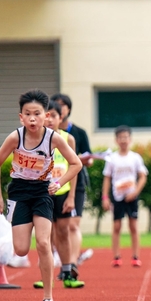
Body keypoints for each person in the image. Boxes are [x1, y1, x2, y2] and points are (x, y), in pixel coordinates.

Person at [0, 89, 82, 301]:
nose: (33, 119)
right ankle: (26, 230)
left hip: (42, 192)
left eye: (37, 114)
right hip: (19, 192)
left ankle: (48, 299)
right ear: (21, 117)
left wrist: (59, 182)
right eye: (28, 114)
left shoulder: (54, 138)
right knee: (21, 250)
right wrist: (0, 197)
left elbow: (76, 163)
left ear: (46, 117)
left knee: (43, 243)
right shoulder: (15, 137)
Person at [32, 100, 84, 289]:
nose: (51, 119)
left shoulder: (67, 138)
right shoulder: (36, 139)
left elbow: (74, 165)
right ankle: (45, 275)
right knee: (45, 236)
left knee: (63, 232)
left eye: (54, 116)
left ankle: (68, 272)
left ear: (60, 118)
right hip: (43, 193)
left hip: (62, 192)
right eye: (48, 116)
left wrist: (71, 196)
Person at [50, 93, 94, 272]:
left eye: (62, 105)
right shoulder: (42, 136)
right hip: (51, 187)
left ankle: (72, 263)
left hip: (74, 182)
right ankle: (63, 263)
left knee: (72, 226)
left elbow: (86, 157)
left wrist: (83, 160)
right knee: (55, 230)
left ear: (66, 110)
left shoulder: (76, 134)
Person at [102, 126, 148, 267]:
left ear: (130, 139)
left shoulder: (135, 157)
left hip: (131, 196)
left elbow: (143, 176)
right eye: (120, 137)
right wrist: (105, 197)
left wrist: (135, 192)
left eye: (126, 137)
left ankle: (135, 256)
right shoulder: (112, 158)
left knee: (133, 226)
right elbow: (107, 178)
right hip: (117, 196)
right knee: (116, 226)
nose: (123, 140)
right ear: (116, 140)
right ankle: (116, 256)